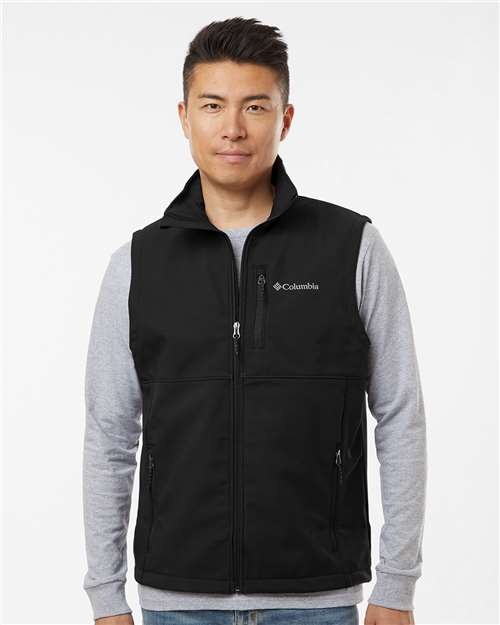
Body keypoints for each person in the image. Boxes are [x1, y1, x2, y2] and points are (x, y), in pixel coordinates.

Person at [82, 16, 426, 625]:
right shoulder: (136, 264)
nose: (233, 128)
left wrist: (396, 586)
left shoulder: (352, 247)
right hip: (177, 604)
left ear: (285, 119)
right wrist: (106, 597)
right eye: (213, 105)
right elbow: (109, 436)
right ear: (185, 116)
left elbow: (400, 416)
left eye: (256, 107)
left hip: (318, 602)